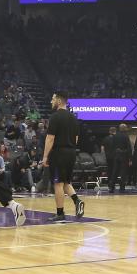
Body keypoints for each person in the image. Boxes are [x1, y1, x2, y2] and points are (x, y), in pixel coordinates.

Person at [42, 92, 84, 222]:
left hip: (59, 152)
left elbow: (50, 138)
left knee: (58, 183)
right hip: (71, 152)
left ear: (59, 101)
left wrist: (45, 156)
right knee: (66, 182)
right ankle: (77, 200)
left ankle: (60, 213)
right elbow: (76, 138)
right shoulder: (73, 117)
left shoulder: (55, 117)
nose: (51, 101)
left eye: (53, 99)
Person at [108, 123, 132, 194]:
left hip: (116, 157)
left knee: (114, 172)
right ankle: (122, 188)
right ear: (124, 129)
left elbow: (112, 147)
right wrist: (130, 158)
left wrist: (114, 155)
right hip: (124, 157)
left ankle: (111, 188)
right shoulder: (126, 136)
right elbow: (129, 148)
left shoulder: (115, 136)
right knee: (123, 173)